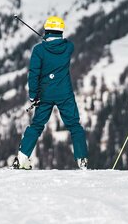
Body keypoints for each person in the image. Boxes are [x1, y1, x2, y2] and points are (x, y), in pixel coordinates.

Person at [13, 16, 89, 170]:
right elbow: (68, 43)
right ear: (61, 31)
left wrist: (33, 96)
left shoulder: (39, 50)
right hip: (64, 93)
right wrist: (53, 40)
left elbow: (33, 74)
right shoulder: (68, 48)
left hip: (44, 94)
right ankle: (82, 159)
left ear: (46, 30)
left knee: (37, 125)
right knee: (74, 125)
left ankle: (21, 159)